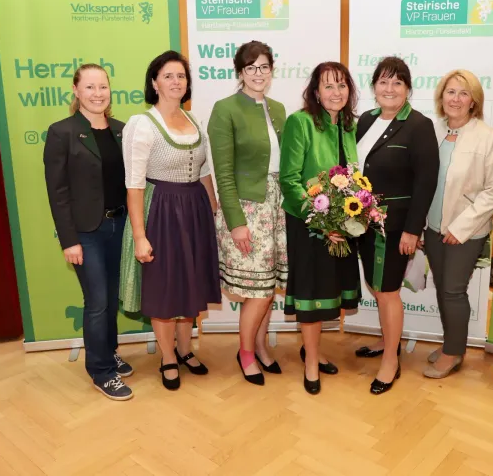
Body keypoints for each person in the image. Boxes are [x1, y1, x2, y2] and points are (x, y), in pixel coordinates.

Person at [119, 51, 221, 391]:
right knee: (164, 288)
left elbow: (205, 171)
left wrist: (213, 211)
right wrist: (140, 235)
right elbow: (134, 185)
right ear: (154, 83)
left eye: (181, 76)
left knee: (189, 283)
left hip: (194, 210)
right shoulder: (142, 124)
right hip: (161, 210)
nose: (176, 81)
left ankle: (185, 348)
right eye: (168, 76)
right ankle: (167, 357)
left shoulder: (194, 120)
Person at [44, 63, 134, 401]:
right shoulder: (62, 132)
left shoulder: (123, 131)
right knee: (96, 301)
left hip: (120, 226)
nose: (98, 93)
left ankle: (108, 352)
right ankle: (101, 371)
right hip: (86, 233)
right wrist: (69, 241)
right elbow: (58, 192)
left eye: (103, 87)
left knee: (110, 298)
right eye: (90, 87)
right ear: (76, 91)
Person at [352, 57, 439, 395]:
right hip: (363, 223)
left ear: (408, 89)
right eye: (383, 82)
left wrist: (412, 230)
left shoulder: (418, 125)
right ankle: (389, 342)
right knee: (377, 287)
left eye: (397, 82)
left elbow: (426, 182)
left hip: (395, 226)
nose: (389, 88)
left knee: (388, 291)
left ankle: (391, 361)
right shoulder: (365, 119)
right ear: (374, 86)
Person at [208, 41, 287, 386]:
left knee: (268, 287)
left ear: (272, 71)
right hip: (246, 209)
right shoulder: (225, 109)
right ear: (240, 72)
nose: (258, 74)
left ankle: (261, 346)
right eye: (251, 67)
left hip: (277, 208)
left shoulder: (279, 109)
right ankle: (246, 353)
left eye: (264, 67)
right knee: (258, 291)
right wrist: (236, 223)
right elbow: (223, 173)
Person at [279, 62, 361, 395]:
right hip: (308, 225)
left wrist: (352, 216)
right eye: (328, 86)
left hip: (342, 225)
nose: (336, 92)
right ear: (315, 91)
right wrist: (321, 221)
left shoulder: (350, 126)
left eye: (342, 85)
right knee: (312, 296)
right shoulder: (300, 122)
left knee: (329, 294)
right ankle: (311, 363)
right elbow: (289, 180)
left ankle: (312, 350)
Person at [420, 69, 493, 380]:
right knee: (444, 289)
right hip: (432, 228)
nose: (456, 99)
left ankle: (454, 352)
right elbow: (424, 180)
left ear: (474, 101)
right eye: (450, 92)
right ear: (441, 97)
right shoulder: (434, 131)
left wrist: (461, 228)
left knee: (453, 291)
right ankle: (450, 344)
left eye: (463, 93)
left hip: (465, 232)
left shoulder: (487, 137)